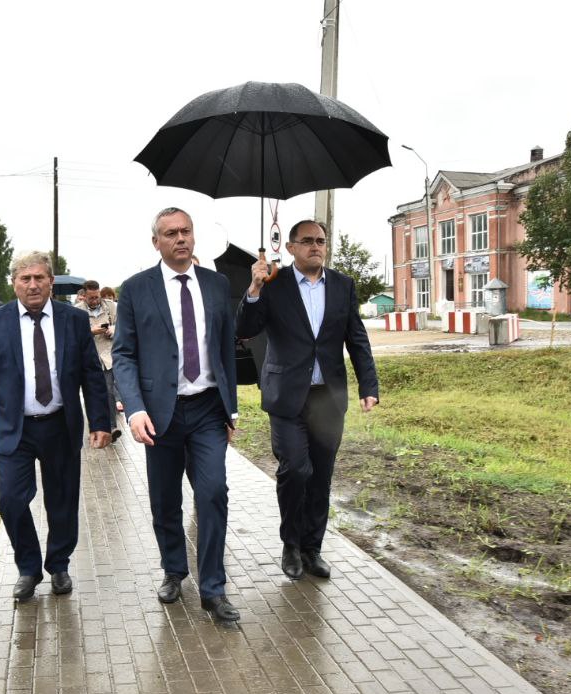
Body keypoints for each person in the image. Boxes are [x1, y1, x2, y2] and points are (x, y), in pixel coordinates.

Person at [112, 208, 240, 623]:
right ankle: (173, 569)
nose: (180, 239)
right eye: (171, 233)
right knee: (165, 499)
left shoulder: (217, 285)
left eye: (186, 231)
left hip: (206, 409)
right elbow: (124, 355)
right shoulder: (136, 289)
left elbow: (225, 351)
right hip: (159, 414)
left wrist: (230, 408)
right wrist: (134, 408)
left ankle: (213, 588)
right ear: (156, 242)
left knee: (213, 492)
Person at [0, 251, 113, 602]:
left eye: (39, 278)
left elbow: (92, 373)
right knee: (11, 499)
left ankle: (58, 564)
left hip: (60, 424)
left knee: (62, 500)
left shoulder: (72, 320)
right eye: (24, 279)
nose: (32, 284)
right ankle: (28, 567)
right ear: (14, 283)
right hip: (14, 427)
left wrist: (101, 421)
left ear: (50, 282)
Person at [238, 219, 379, 580]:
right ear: (290, 247)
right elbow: (245, 329)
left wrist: (368, 386)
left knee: (321, 476)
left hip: (327, 398)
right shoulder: (273, 283)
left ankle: (312, 548)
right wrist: (254, 288)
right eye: (307, 241)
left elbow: (356, 338)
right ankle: (290, 544)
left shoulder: (343, 286)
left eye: (320, 241)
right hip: (287, 396)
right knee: (296, 470)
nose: (315, 246)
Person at [80, 280, 121, 442]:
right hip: (88, 359)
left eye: (97, 297)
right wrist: (91, 331)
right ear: (84, 296)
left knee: (109, 391)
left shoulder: (111, 307)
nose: (95, 300)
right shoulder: (78, 311)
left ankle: (111, 427)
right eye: (91, 298)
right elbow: (74, 334)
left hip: (107, 357)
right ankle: (96, 427)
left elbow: (123, 325)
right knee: (92, 393)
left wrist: (113, 329)